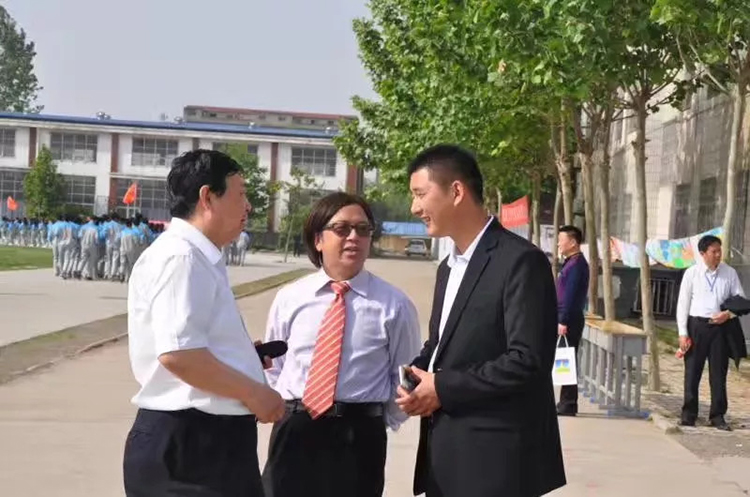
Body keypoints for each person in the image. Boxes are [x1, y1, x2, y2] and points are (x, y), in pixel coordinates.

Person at [397, 144, 565, 497]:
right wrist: (418, 374)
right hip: (446, 456)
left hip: (496, 463)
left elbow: (528, 361)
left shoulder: (520, 262)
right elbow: (441, 344)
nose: (414, 207)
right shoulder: (448, 267)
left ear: (456, 191)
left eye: (420, 194)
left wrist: (442, 387)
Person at [123, 149, 285, 496]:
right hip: (191, 446)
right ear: (208, 197)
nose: (248, 207)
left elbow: (190, 343)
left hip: (209, 442)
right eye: (240, 194)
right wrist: (255, 393)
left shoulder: (199, 256)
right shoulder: (182, 257)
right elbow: (180, 355)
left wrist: (241, 357)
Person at [262, 192, 421, 497]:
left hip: (358, 437)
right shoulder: (290, 298)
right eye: (341, 229)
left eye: (363, 229)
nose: (353, 237)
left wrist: (376, 419)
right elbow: (274, 366)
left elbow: (404, 376)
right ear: (318, 239)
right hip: (295, 430)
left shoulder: (394, 305)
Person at [676, 235, 745, 431]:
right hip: (697, 326)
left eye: (719, 251)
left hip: (720, 328)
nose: (717, 255)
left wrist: (728, 314)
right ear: (703, 253)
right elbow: (683, 304)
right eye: (713, 251)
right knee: (692, 372)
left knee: (718, 373)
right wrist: (682, 332)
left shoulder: (729, 273)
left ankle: (717, 416)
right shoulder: (692, 273)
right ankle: (689, 414)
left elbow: (741, 299)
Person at [555, 225, 590, 416]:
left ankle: (568, 404)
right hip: (566, 317)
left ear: (573, 242)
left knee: (567, 361)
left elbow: (570, 295)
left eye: (561, 240)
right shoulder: (570, 263)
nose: (558, 244)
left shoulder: (577, 265)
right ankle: (565, 401)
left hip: (569, 319)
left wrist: (563, 320)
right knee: (565, 360)